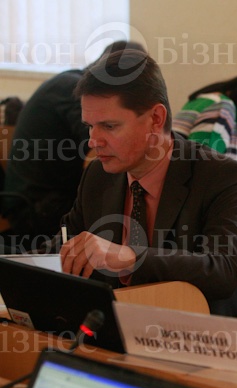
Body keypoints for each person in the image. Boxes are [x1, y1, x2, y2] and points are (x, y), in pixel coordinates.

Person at [54, 49, 237, 318]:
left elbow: (224, 270)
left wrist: (129, 257)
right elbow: (65, 245)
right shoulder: (99, 175)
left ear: (156, 119)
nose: (93, 140)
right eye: (90, 126)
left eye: (109, 126)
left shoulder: (222, 176)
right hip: (117, 328)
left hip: (200, 331)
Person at [1, 41, 145, 250]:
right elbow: (103, 147)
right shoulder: (76, 91)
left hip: (31, 200)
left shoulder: (66, 81)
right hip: (36, 209)